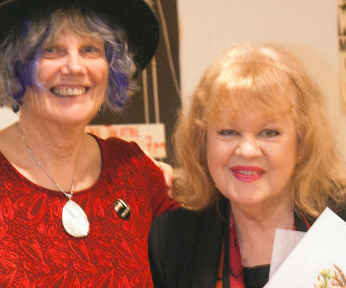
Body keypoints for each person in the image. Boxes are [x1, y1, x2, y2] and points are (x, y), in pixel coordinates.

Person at [0, 0, 178, 287]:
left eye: (90, 49)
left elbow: (202, 259)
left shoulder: (135, 173)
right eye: (51, 51)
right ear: (13, 68)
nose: (74, 66)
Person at [148, 43, 346, 288]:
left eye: (269, 132)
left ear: (301, 144)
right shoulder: (172, 241)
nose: (247, 150)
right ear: (203, 143)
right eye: (228, 132)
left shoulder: (341, 223)